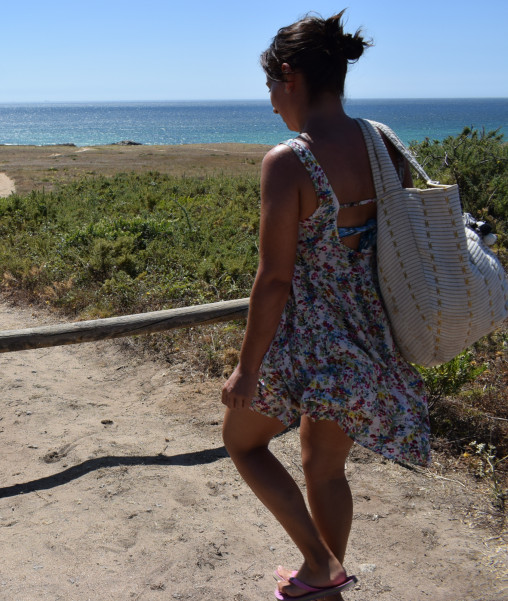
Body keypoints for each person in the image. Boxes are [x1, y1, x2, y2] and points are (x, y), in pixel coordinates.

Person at [220, 10, 430, 601]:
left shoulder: (289, 160)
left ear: (290, 76)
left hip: (306, 337)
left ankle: (319, 563)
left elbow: (274, 280)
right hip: (369, 336)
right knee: (325, 467)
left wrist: (247, 367)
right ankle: (324, 583)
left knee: (242, 441)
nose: (270, 103)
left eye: (269, 87)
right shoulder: (383, 141)